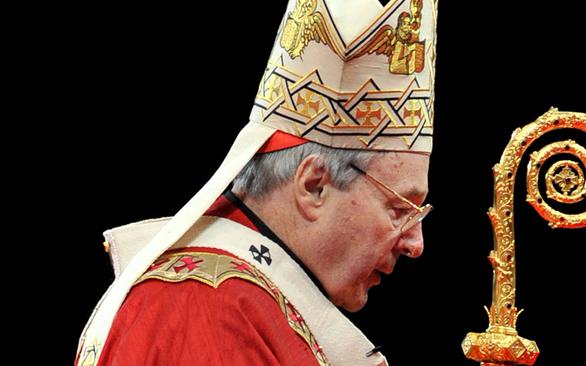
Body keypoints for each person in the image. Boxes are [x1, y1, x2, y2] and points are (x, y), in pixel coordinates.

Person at [76, 0, 438, 365]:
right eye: (399, 209)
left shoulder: (255, 302)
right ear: (314, 185)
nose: (416, 244)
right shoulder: (203, 307)